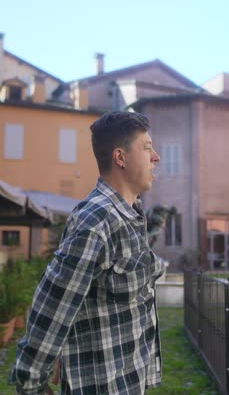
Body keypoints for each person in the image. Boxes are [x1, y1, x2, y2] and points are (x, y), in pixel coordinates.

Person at [11, 110, 166, 394]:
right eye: (147, 148)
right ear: (120, 158)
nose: (156, 157)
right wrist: (31, 382)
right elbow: (54, 305)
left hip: (127, 380)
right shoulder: (96, 221)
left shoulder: (130, 215)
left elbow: (138, 270)